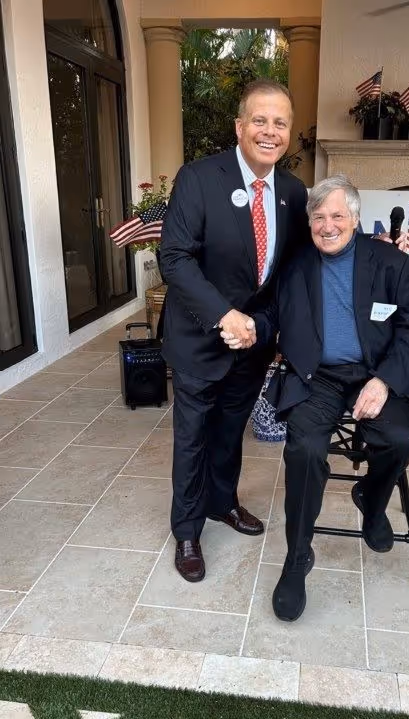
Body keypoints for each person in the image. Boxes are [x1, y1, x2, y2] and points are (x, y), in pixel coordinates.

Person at [222, 174, 409, 621]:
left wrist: (384, 382)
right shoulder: (294, 264)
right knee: (304, 449)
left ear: (354, 219)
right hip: (316, 376)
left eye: (337, 215)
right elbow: (270, 312)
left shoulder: (389, 262)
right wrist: (250, 325)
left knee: (398, 441)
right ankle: (297, 557)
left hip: (373, 375)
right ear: (309, 222)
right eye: (319, 217)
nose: (328, 225)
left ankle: (372, 502)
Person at [159, 79, 309, 583]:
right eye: (260, 120)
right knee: (194, 436)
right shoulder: (199, 178)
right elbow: (174, 258)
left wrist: (261, 328)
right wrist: (224, 317)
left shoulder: (291, 191)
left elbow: (288, 271)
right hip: (201, 338)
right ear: (240, 127)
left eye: (281, 122)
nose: (271, 131)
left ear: (289, 131)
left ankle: (223, 503)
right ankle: (186, 529)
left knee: (230, 431)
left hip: (253, 344)